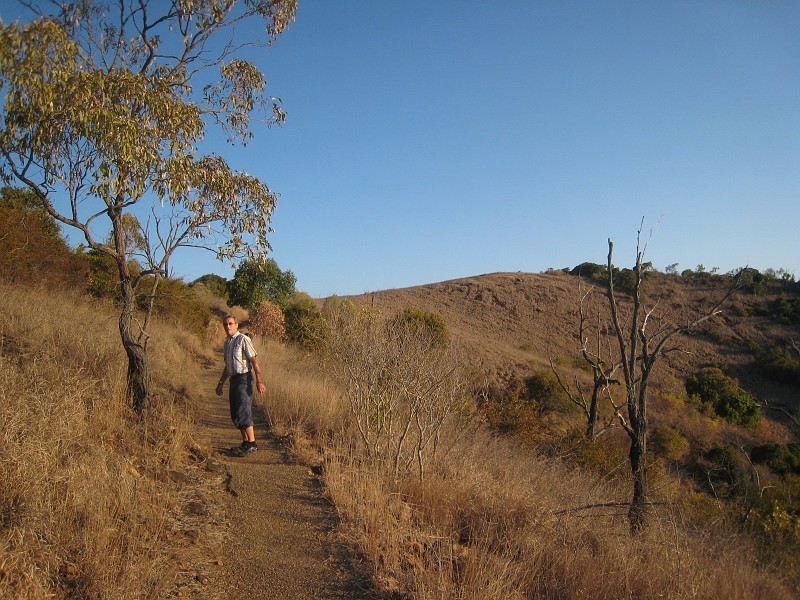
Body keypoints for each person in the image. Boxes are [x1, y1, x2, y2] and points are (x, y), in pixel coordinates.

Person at [216, 315, 266, 456]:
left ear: (236, 325)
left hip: (244, 378)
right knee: (236, 413)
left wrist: (259, 381)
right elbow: (228, 366)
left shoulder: (243, 339)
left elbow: (254, 361)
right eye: (225, 324)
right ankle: (245, 442)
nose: (228, 327)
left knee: (243, 409)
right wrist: (221, 383)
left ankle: (252, 443)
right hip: (234, 379)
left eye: (231, 324)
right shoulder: (227, 343)